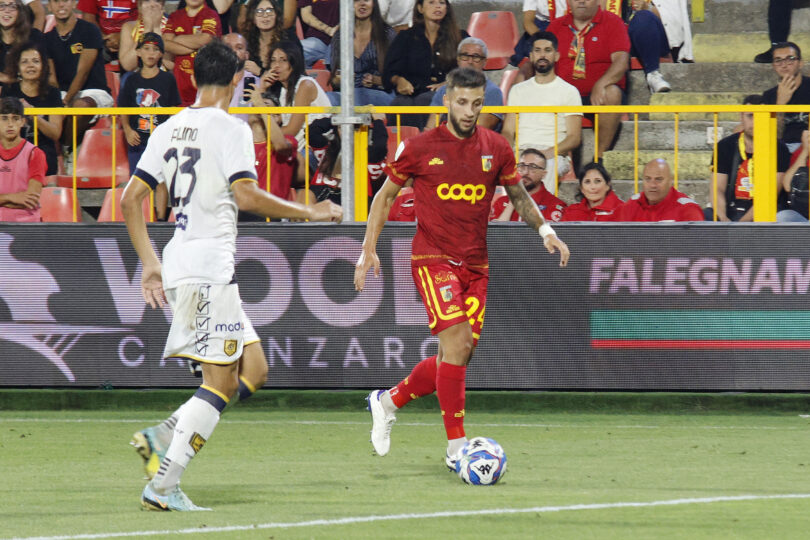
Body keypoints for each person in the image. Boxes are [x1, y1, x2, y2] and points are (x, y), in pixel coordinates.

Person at [122, 41, 341, 510]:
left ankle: (165, 434)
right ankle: (162, 486)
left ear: (193, 77)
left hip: (187, 262)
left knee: (255, 369)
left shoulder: (168, 127)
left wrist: (150, 262)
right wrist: (312, 211)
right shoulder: (232, 128)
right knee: (219, 384)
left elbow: (129, 199)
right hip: (207, 270)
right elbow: (246, 195)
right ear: (237, 79)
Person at [356, 67, 569, 469]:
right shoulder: (419, 147)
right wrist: (368, 249)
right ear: (447, 101)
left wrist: (545, 231)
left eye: (476, 103)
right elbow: (384, 197)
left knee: (457, 354)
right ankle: (457, 449)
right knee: (456, 344)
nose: (469, 111)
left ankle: (387, 401)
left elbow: (518, 195)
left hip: (476, 264)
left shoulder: (496, 147)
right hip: (432, 258)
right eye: (462, 102)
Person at [547, 0, 629, 159]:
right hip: (563, 96)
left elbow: (621, 60)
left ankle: (598, 159)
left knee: (611, 93)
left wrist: (601, 84)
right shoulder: (556, 26)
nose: (581, 1)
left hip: (596, 96)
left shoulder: (612, 22)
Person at [501, 31, 582, 191]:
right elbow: (508, 131)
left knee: (546, 166)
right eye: (537, 50)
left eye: (547, 50)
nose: (542, 55)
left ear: (556, 56)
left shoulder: (569, 91)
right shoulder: (517, 90)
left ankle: (543, 207)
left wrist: (546, 154)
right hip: (522, 151)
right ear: (531, 56)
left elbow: (574, 137)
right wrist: (509, 153)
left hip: (553, 154)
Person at [382, 0, 466, 129]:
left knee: (426, 101)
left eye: (442, 3)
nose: (437, 6)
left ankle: (424, 140)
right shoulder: (406, 37)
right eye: (431, 2)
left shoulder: (460, 37)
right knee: (399, 104)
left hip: (445, 94)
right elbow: (389, 72)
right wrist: (399, 80)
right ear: (420, 8)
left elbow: (470, 70)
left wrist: (449, 83)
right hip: (411, 93)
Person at [45, 0, 113, 155]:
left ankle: (66, 150)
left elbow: (83, 73)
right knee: (48, 109)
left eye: (65, 1)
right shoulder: (47, 39)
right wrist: (58, 101)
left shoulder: (89, 30)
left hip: (93, 92)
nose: (61, 5)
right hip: (63, 92)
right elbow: (52, 79)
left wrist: (66, 101)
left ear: (74, 4)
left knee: (80, 106)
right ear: (49, 6)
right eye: (56, 1)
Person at [712, 95, 790, 222]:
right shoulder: (725, 145)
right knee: (706, 216)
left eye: (760, 116)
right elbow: (717, 189)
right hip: (732, 210)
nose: (755, 121)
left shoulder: (779, 148)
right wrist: (723, 218)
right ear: (741, 117)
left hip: (768, 212)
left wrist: (742, 225)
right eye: (750, 116)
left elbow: (771, 194)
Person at [261, 40, 330, 180]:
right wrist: (262, 88)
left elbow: (292, 129)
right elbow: (263, 120)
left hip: (316, 151)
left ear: (294, 62)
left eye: (283, 60)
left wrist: (260, 139)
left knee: (267, 169)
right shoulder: (282, 91)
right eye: (273, 60)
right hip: (294, 148)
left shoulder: (305, 85)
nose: (276, 65)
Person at [117, 32, 181, 174]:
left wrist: (169, 134)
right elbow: (124, 108)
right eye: (146, 48)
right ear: (138, 52)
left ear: (161, 54)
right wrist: (128, 130)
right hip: (138, 141)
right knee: (137, 178)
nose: (151, 53)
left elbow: (172, 109)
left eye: (155, 49)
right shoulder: (131, 80)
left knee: (161, 180)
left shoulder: (168, 79)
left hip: (161, 140)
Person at [3, 41, 64, 175]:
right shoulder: (9, 91)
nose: (30, 65)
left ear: (43, 66)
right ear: (18, 67)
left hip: (43, 152)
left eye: (35, 61)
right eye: (24, 62)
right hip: (13, 150)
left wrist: (33, 114)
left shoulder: (53, 93)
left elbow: (55, 133)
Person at [304, 114, 388, 205]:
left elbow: (380, 147)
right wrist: (337, 118)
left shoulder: (369, 156)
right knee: (304, 194)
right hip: (320, 197)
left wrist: (377, 121)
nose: (346, 132)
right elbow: (311, 132)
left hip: (352, 202)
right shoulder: (327, 150)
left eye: (353, 128)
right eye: (341, 128)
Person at [326, 0, 395, 107]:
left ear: (374, 4)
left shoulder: (387, 34)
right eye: (356, 0)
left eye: (366, 0)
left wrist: (377, 80)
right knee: (327, 98)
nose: (362, 4)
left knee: (356, 96)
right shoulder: (340, 36)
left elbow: (398, 78)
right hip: (349, 95)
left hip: (381, 93)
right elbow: (334, 80)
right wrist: (340, 80)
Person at [425, 37, 503, 132]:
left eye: (476, 57)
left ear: (484, 62)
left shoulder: (493, 92)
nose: (470, 61)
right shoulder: (444, 90)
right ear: (458, 59)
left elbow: (481, 130)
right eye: (465, 56)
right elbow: (431, 127)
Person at [164, 0, 221, 106]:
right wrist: (195, 47)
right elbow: (166, 44)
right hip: (180, 86)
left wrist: (177, 39)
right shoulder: (175, 16)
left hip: (206, 86)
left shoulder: (210, 14)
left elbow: (205, 39)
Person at [0, 97, 47, 222]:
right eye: (4, 118)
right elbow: (21, 199)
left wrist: (2, 199)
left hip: (25, 224)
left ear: (22, 122)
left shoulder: (35, 154)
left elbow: (31, 199)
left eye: (15, 119)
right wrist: (12, 197)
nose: (10, 124)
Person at [490, 148, 567, 222]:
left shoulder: (555, 205)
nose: (525, 172)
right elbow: (496, 230)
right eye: (522, 166)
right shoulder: (501, 202)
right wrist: (511, 204)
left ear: (543, 174)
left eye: (532, 167)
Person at [614, 158, 703, 221]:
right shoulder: (631, 205)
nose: (652, 185)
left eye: (659, 179)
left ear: (670, 181)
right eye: (648, 179)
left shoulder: (688, 209)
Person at [761, 42, 810, 152]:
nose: (784, 65)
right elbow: (774, 136)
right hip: (781, 150)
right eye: (778, 60)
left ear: (800, 63)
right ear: (773, 66)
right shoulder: (769, 95)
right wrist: (780, 104)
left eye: (790, 59)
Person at [620, 0, 672, 93]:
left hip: (652, 37)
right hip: (620, 41)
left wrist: (648, 8)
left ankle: (653, 74)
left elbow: (672, 21)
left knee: (643, 16)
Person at [0, 0, 48, 85]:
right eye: (1, 6)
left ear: (20, 12)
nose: (7, 10)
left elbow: (41, 74)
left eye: (12, 6)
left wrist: (10, 80)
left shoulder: (34, 37)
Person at [510, 0, 567, 67]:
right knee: (528, 55)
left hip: (566, 25)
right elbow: (528, 23)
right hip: (540, 27)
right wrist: (543, 40)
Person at [118, 0, 170, 73]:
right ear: (140, 6)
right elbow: (128, 66)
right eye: (147, 1)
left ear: (163, 6)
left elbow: (170, 63)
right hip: (137, 75)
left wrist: (157, 29)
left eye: (157, 1)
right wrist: (147, 30)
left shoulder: (172, 26)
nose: (152, 5)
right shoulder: (129, 27)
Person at [241, 0, 286, 76]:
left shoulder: (287, 39)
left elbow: (290, 76)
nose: (265, 15)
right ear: (253, 17)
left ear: (276, 15)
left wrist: (260, 72)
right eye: (259, 11)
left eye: (269, 11)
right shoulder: (247, 41)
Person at [223, 32, 256, 124]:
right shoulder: (209, 82)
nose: (233, 51)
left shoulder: (256, 83)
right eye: (228, 47)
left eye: (239, 48)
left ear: (246, 55)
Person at [778, 130, 810, 222]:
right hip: (804, 215)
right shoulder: (803, 150)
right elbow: (788, 186)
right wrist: (805, 151)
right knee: (784, 217)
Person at [297, 0, 339, 68]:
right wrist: (329, 30)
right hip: (317, 40)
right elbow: (306, 15)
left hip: (342, 41)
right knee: (294, 50)